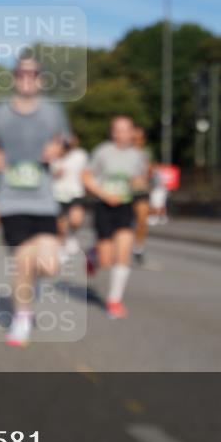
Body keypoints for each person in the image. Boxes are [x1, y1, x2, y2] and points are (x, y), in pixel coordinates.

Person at [0, 55, 70, 346]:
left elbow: (68, 141)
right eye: (21, 74)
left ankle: (33, 285)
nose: (27, 79)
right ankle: (21, 319)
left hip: (44, 199)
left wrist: (59, 147)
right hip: (11, 200)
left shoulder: (53, 112)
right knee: (22, 262)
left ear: (41, 79)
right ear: (14, 78)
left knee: (49, 266)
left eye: (32, 74)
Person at [82, 116, 149, 319]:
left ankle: (114, 301)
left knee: (123, 255)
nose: (121, 134)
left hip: (125, 207)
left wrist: (138, 183)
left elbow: (140, 181)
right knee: (106, 258)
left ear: (132, 132)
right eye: (117, 130)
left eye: (126, 130)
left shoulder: (138, 155)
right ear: (112, 133)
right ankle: (93, 255)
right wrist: (103, 194)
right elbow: (86, 177)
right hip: (104, 206)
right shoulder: (102, 152)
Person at [52, 136, 88, 258]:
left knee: (76, 220)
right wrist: (55, 173)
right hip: (58, 195)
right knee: (60, 227)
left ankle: (72, 235)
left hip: (76, 193)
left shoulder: (80, 156)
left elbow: (87, 172)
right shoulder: (53, 156)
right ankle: (61, 248)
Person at [131, 126, 152, 265]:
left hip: (141, 191)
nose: (137, 142)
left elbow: (149, 172)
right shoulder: (121, 153)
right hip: (124, 192)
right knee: (124, 223)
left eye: (140, 139)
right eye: (134, 139)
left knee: (142, 220)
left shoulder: (145, 153)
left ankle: (138, 247)